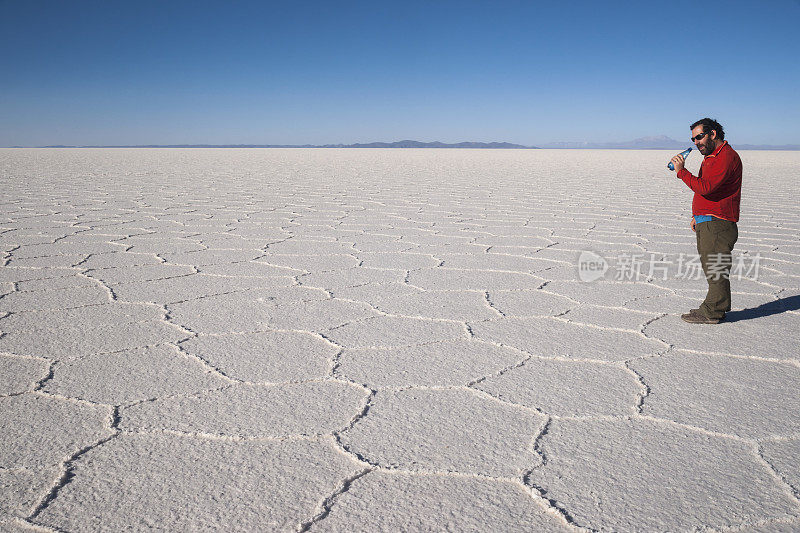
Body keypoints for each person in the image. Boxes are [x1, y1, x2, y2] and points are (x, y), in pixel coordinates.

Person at [670, 118, 742, 324]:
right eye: (693, 139)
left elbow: (706, 188)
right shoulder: (711, 157)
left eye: (699, 137)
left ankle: (713, 311)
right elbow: (705, 190)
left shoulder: (726, 157)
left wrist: (681, 172)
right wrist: (697, 216)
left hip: (718, 221)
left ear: (713, 134)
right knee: (711, 267)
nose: (696, 142)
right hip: (707, 220)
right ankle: (713, 306)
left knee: (715, 267)